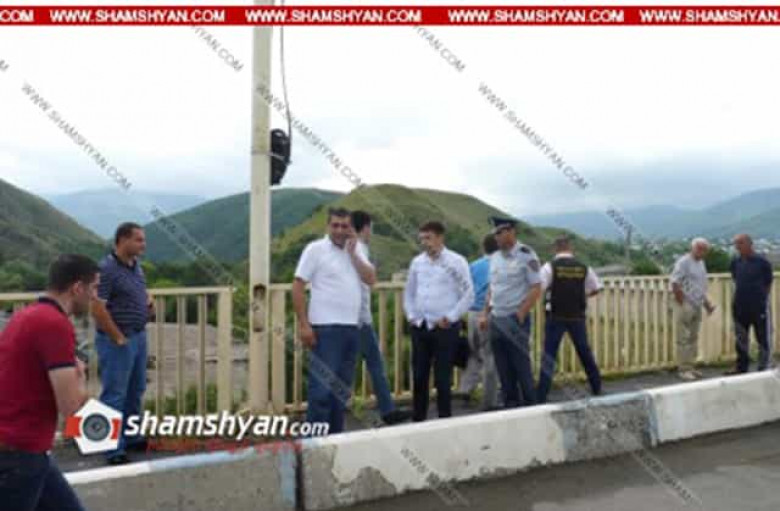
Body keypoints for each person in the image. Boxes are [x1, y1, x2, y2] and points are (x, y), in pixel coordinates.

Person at [0, 254, 98, 511]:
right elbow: (71, 411)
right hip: (20, 453)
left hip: (24, 448)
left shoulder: (26, 315)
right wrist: (81, 379)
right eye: (94, 288)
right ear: (77, 288)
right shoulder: (55, 325)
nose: (95, 297)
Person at [292, 208, 376, 434]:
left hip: (351, 328)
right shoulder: (315, 249)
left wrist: (354, 255)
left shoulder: (357, 250)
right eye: (335, 225)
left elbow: (371, 279)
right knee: (321, 391)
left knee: (341, 391)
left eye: (344, 226)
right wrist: (304, 324)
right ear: (328, 226)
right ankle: (314, 442)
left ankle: (336, 440)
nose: (339, 230)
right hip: (325, 329)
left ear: (351, 228)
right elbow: (298, 286)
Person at [91, 222, 152, 465]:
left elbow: (139, 292)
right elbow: (97, 307)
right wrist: (117, 336)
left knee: (136, 389)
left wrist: (148, 302)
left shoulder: (136, 267)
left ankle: (131, 436)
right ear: (122, 240)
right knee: (115, 394)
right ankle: (112, 448)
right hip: (117, 340)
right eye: (138, 240)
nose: (143, 244)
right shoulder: (106, 269)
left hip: (138, 336)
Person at [404, 221, 474, 422]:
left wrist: (451, 317)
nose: (425, 243)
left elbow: (468, 294)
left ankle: (445, 420)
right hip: (421, 326)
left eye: (429, 238)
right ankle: (418, 420)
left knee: (443, 378)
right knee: (419, 375)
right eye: (422, 239)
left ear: (440, 238)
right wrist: (411, 315)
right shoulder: (417, 262)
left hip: (445, 327)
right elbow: (409, 292)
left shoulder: (456, 261)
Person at [350, 210, 411, 425]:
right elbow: (368, 281)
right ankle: (387, 410)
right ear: (365, 228)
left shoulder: (350, 248)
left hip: (351, 317)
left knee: (355, 364)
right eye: (371, 228)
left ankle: (384, 408)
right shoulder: (358, 249)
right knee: (375, 364)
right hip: (359, 318)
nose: (371, 233)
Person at [479, 217, 541, 409]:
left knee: (521, 366)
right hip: (496, 319)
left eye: (499, 233)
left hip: (515, 319)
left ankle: (530, 405)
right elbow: (492, 288)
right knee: (503, 368)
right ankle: (510, 405)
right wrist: (485, 313)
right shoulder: (495, 257)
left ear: (511, 232)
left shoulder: (526, 255)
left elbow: (536, 287)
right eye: (495, 234)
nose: (496, 237)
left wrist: (521, 313)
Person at [536, 236, 603, 403]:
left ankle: (542, 393)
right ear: (570, 248)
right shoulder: (583, 267)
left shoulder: (550, 267)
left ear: (555, 248)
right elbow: (597, 287)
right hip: (577, 315)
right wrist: (583, 295)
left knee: (549, 354)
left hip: (556, 315)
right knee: (584, 351)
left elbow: (539, 287)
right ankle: (596, 385)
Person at [458, 233, 500, 411]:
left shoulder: (473, 266)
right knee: (490, 356)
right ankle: (490, 401)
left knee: (474, 354)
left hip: (471, 313)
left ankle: (464, 390)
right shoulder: (499, 265)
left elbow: (463, 289)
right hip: (488, 313)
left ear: (483, 248)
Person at [670, 238, 716, 381]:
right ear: (693, 248)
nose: (702, 252)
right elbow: (675, 282)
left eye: (705, 250)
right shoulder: (684, 262)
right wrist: (682, 302)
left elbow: (701, 286)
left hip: (697, 304)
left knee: (693, 338)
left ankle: (691, 366)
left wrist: (707, 304)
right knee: (683, 338)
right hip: (686, 304)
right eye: (700, 249)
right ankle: (683, 369)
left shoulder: (701, 263)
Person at [729, 234, 774, 374]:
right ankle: (741, 367)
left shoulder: (762, 262)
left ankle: (764, 367)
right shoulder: (735, 262)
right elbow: (735, 279)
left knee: (762, 337)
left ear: (749, 244)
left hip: (758, 306)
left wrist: (761, 298)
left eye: (740, 243)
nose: (737, 246)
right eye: (736, 244)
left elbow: (768, 282)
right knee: (741, 338)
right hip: (740, 306)